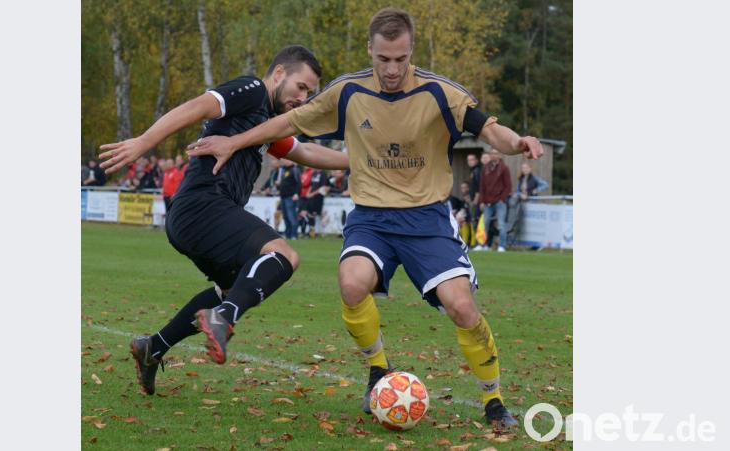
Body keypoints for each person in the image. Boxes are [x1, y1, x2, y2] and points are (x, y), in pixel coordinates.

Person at [188, 8, 543, 428]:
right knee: (352, 284)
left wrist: (517, 141)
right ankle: (379, 368)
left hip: (426, 219)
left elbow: (489, 130)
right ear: (370, 51)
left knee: (462, 307)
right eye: (383, 59)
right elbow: (287, 121)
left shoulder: (439, 92)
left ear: (410, 52)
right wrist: (234, 141)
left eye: (401, 59)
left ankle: (494, 401)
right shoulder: (348, 92)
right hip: (371, 217)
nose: (392, 69)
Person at [98, 45, 349, 396]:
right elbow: (197, 106)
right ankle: (225, 318)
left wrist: (358, 162)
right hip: (204, 206)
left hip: (193, 216)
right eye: (301, 87)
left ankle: (153, 347)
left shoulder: (266, 122)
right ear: (279, 74)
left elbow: (304, 151)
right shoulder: (253, 91)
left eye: (309, 92)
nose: (303, 98)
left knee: (233, 288)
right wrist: (144, 141)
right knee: (283, 256)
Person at [476, 150, 512, 252]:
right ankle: (482, 245)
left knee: (501, 224)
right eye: (491, 153)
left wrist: (502, 199)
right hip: (487, 201)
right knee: (485, 223)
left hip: (500, 202)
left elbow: (508, 186)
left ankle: (502, 246)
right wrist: (482, 201)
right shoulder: (485, 168)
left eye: (495, 153)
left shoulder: (504, 168)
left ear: (500, 155)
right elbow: (482, 186)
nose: (493, 155)